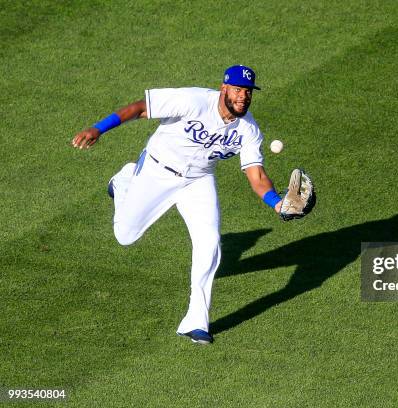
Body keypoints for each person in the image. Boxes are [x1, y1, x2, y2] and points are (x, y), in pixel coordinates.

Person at [72, 65, 283, 345]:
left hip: (198, 181)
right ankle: (124, 180)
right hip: (157, 171)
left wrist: (277, 203)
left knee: (209, 243)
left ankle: (195, 322)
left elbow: (255, 175)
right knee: (125, 235)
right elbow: (140, 108)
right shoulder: (194, 101)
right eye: (237, 90)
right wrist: (99, 128)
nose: (243, 97)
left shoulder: (248, 129)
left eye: (247, 92)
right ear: (224, 88)